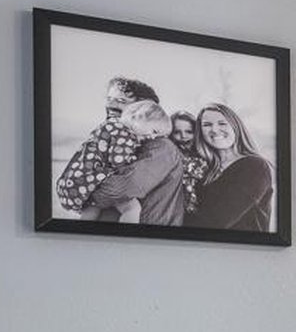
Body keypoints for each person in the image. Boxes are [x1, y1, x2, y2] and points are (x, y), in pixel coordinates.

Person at [78, 90, 198, 226]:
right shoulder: (133, 141)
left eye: (125, 104)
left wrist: (85, 189)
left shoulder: (162, 147)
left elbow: (126, 187)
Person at [55, 75, 161, 217]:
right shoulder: (122, 129)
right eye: (109, 99)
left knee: (90, 211)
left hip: (77, 183)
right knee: (132, 209)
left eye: (121, 101)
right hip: (95, 180)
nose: (111, 105)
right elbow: (118, 160)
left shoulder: (106, 127)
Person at [190, 103, 276, 233]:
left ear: (235, 127)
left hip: (242, 250)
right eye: (207, 125)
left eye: (222, 123)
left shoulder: (255, 166)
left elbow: (216, 221)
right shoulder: (204, 169)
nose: (214, 129)